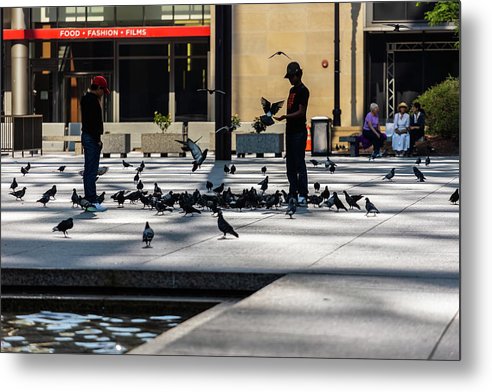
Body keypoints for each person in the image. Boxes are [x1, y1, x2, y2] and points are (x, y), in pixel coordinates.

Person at [273, 62, 310, 206]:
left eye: (292, 76)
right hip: (290, 130)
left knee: (299, 163)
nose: (290, 79)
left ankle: (303, 193)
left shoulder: (303, 90)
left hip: (299, 131)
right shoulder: (292, 90)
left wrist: (285, 117)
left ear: (298, 75)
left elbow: (301, 112)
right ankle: (293, 191)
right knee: (290, 164)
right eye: (289, 77)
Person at [80, 75, 110, 212]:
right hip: (91, 138)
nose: (103, 93)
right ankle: (91, 199)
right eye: (103, 90)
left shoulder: (86, 99)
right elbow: (92, 122)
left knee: (89, 169)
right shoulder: (92, 101)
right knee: (91, 170)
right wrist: (97, 139)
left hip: (87, 136)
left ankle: (90, 198)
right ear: (98, 88)